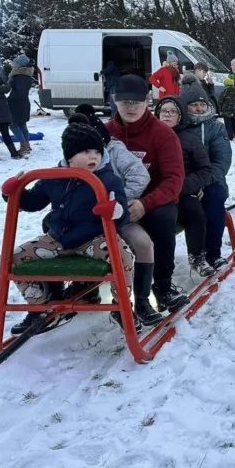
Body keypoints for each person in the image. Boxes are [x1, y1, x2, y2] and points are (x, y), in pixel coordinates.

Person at [2, 120, 135, 334]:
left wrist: (115, 211)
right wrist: (15, 194)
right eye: (85, 151)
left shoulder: (108, 179)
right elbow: (35, 201)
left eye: (97, 151)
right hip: (59, 238)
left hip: (95, 238)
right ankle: (38, 305)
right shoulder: (54, 178)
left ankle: (122, 306)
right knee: (15, 256)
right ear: (70, 156)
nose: (93, 156)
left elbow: (122, 214)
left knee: (123, 256)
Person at [68, 108, 162, 327]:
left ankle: (141, 300)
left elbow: (140, 175)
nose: (90, 156)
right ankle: (75, 290)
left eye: (94, 149)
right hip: (84, 224)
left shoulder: (115, 150)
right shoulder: (70, 159)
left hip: (115, 217)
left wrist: (119, 202)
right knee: (62, 241)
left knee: (143, 243)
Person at [107, 74, 189, 313]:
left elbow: (174, 179)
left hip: (154, 201)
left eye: (137, 102)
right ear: (115, 100)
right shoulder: (105, 132)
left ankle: (162, 287)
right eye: (125, 102)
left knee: (162, 220)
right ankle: (82, 287)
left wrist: (145, 204)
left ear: (147, 101)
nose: (131, 107)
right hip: (113, 201)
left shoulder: (163, 134)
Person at [155, 96, 215, 278]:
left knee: (195, 212)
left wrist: (183, 186)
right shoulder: (150, 135)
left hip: (183, 189)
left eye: (172, 112)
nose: (167, 115)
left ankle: (197, 256)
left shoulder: (189, 139)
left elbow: (204, 169)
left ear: (180, 116)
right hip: (155, 191)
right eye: (164, 111)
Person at [180, 74, 232, 269]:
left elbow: (222, 160)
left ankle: (212, 252)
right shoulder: (178, 127)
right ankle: (195, 252)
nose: (199, 108)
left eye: (202, 104)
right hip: (184, 181)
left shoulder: (215, 128)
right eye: (193, 105)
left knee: (213, 200)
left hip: (211, 180)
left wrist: (203, 182)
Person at [7, 54, 34, 155]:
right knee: (22, 124)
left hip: (17, 103)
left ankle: (24, 145)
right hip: (24, 102)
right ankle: (27, 144)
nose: (13, 64)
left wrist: (9, 99)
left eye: (15, 63)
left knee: (13, 125)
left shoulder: (19, 76)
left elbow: (20, 92)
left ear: (19, 65)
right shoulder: (26, 75)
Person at [219, 74, 235, 141]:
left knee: (228, 125)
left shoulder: (224, 91)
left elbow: (220, 101)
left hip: (226, 111)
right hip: (234, 111)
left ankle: (230, 136)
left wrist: (220, 110)